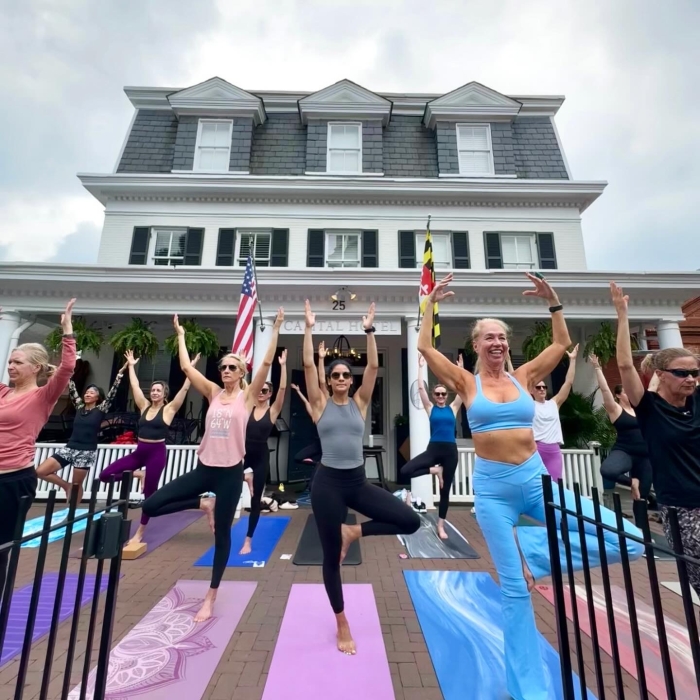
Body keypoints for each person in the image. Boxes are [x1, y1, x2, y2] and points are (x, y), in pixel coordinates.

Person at [418, 273, 643, 700]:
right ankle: (529, 691)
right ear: (476, 345)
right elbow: (426, 347)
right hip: (491, 492)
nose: (498, 342)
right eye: (489, 337)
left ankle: (536, 553)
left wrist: (554, 301)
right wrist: (429, 304)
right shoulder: (468, 383)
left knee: (630, 539)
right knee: (515, 594)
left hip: (535, 480)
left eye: (502, 336)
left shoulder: (523, 376)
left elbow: (559, 346)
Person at [142, 310, 284, 622]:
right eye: (223, 367)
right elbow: (184, 367)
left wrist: (275, 329)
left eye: (232, 367)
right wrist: (180, 335)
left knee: (222, 536)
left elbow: (265, 364)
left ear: (241, 371)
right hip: (204, 469)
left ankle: (211, 596)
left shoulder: (246, 397)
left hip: (230, 475)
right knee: (152, 505)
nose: (226, 370)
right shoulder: (213, 392)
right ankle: (202, 503)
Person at [302, 299, 420, 655]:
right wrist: (308, 327)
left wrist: (369, 330)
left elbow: (373, 365)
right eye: (335, 375)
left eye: (345, 375)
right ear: (328, 380)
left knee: (409, 520)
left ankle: (354, 531)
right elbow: (307, 363)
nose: (340, 378)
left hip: (357, 482)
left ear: (350, 381)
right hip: (327, 486)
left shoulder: (361, 401)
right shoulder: (319, 402)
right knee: (330, 558)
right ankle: (341, 621)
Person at [612, 281, 700, 597]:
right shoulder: (650, 409)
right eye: (681, 373)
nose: (690, 378)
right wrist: (622, 315)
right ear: (661, 374)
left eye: (694, 373)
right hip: (681, 506)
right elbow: (624, 364)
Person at [0, 300, 77, 599]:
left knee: (2, 548)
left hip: (14, 480)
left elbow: (68, 367)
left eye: (17, 362)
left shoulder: (42, 396)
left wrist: (67, 330)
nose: (11, 366)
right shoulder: (3, 392)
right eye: (10, 362)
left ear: (35, 367)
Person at [98, 350, 198, 546]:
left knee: (149, 497)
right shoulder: (143, 406)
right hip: (139, 452)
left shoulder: (168, 410)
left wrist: (190, 370)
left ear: (164, 394)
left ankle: (140, 532)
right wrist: (132, 366)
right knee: (104, 475)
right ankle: (138, 475)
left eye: (158, 390)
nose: (154, 392)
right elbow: (134, 385)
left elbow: (185, 390)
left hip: (156, 454)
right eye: (152, 389)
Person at [36, 362, 128, 503]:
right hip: (70, 447)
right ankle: (65, 486)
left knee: (77, 484)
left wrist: (120, 373)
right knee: (41, 471)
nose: (88, 394)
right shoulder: (79, 407)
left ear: (97, 397)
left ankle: (71, 512)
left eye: (92, 392)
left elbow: (112, 394)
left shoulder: (101, 409)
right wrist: (59, 369)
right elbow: (71, 385)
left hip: (86, 451)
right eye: (87, 392)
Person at [589, 352, 655, 529]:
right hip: (624, 450)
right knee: (608, 470)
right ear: (618, 395)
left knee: (641, 497)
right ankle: (631, 482)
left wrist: (652, 366)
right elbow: (604, 390)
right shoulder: (616, 410)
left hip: (645, 456)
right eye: (624, 391)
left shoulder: (642, 408)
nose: (629, 392)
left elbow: (653, 388)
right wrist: (597, 368)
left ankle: (642, 533)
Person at [401, 353, 463, 539]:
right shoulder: (431, 408)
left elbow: (462, 389)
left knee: (445, 492)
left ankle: (441, 526)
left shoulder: (453, 408)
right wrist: (421, 366)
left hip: (450, 452)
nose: (441, 396)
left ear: (447, 396)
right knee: (406, 470)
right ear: (434, 396)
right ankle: (435, 471)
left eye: (444, 394)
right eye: (438, 394)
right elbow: (420, 388)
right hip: (434, 449)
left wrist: (459, 369)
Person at [239, 349, 288, 555]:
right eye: (260, 389)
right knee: (226, 487)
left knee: (255, 499)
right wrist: (242, 363)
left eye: (266, 391)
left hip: (260, 455)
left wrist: (283, 366)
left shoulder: (273, 411)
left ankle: (248, 540)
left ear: (270, 394)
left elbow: (283, 388)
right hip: (241, 453)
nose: (261, 392)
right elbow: (245, 384)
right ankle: (245, 477)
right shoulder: (246, 406)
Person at [531, 344, 579, 481]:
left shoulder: (554, 403)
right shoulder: (529, 404)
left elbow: (568, 383)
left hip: (554, 450)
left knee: (556, 483)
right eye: (538, 387)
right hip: (537, 449)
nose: (542, 389)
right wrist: (509, 362)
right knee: (537, 483)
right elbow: (518, 385)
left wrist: (573, 360)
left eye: (544, 387)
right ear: (531, 391)